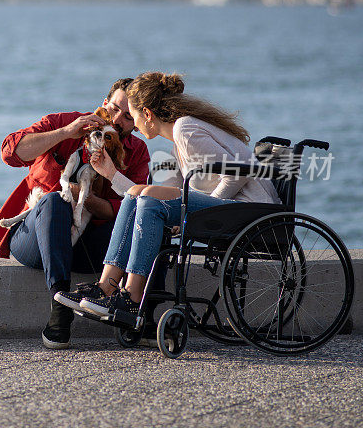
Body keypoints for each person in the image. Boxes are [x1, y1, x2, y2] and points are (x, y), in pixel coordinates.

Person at [56, 72, 280, 321]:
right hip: (232, 208)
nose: (133, 126)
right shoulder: (178, 140)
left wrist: (209, 208)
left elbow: (236, 174)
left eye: (133, 116)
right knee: (138, 197)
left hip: (248, 211)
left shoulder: (186, 130)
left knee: (149, 200)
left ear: (148, 114)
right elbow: (142, 194)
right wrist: (110, 173)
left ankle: (131, 297)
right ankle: (106, 287)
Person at [0, 78, 150, 349]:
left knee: (146, 219)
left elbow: (122, 209)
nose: (117, 119)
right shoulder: (68, 123)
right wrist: (65, 133)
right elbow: (10, 152)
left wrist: (84, 198)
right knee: (53, 202)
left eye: (128, 116)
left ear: (137, 123)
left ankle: (141, 315)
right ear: (103, 105)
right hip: (37, 239)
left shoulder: (137, 151)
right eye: (113, 110)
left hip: (91, 245)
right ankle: (60, 307)